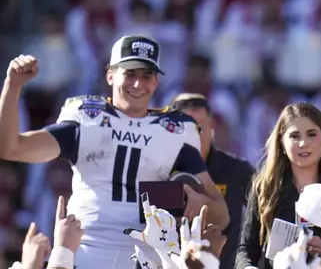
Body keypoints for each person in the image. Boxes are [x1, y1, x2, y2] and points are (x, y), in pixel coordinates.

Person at [0, 35, 229, 268]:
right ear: (110, 74)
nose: (138, 84)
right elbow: (11, 148)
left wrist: (197, 202)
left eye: (146, 76)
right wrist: (13, 85)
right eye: (130, 74)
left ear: (156, 82)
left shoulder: (176, 129)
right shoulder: (87, 117)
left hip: (146, 256)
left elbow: (222, 213)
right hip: (86, 248)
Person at [236, 103, 321, 269]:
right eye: (294, 136)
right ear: (281, 142)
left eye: (311, 134)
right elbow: (246, 250)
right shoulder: (264, 190)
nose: (303, 143)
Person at [170, 93, 256, 269]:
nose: (194, 136)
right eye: (185, 128)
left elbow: (266, 214)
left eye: (199, 127)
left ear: (212, 125)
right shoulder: (158, 170)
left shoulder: (237, 171)